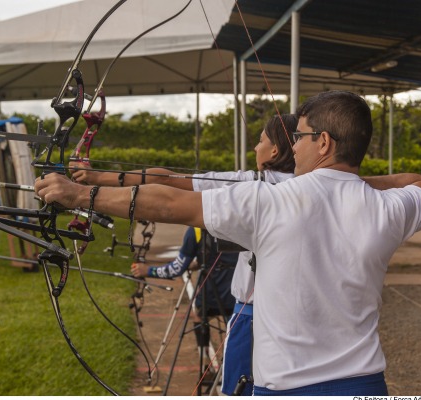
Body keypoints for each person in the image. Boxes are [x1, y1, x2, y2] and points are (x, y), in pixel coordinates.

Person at [35, 90, 421, 396]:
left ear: (324, 143)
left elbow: (170, 201)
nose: (294, 146)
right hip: (365, 386)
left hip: (286, 388)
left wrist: (78, 196)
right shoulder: (389, 208)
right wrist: (352, 180)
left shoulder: (268, 200)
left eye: (300, 136)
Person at [71, 114, 298, 395]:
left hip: (252, 316)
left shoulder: (251, 186)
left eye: (261, 140)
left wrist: (94, 179)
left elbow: (167, 182)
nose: (255, 147)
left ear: (275, 150)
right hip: (301, 317)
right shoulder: (322, 188)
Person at [132, 226, 237, 362]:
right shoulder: (240, 220)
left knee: (198, 316)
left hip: (212, 293)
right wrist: (200, 262)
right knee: (236, 329)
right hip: (240, 293)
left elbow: (176, 269)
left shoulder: (197, 230)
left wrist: (148, 271)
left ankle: (205, 362)